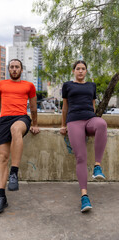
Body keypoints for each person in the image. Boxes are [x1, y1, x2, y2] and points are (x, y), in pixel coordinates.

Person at [0, 59, 40, 214]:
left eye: (17, 67)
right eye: (11, 67)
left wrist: (35, 124)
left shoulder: (29, 86)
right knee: (2, 158)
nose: (14, 69)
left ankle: (14, 173)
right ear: (8, 70)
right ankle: (1, 197)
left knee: (16, 129)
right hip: (3, 120)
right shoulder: (0, 85)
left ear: (21, 69)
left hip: (21, 118)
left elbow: (33, 107)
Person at [60, 60, 107, 213]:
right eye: (78, 68)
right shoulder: (67, 85)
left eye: (83, 69)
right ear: (73, 71)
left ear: (86, 71)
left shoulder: (91, 86)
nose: (80, 71)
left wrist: (93, 117)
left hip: (89, 119)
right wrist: (63, 125)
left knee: (102, 124)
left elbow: (93, 104)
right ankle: (84, 196)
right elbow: (65, 106)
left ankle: (97, 166)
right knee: (81, 157)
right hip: (74, 121)